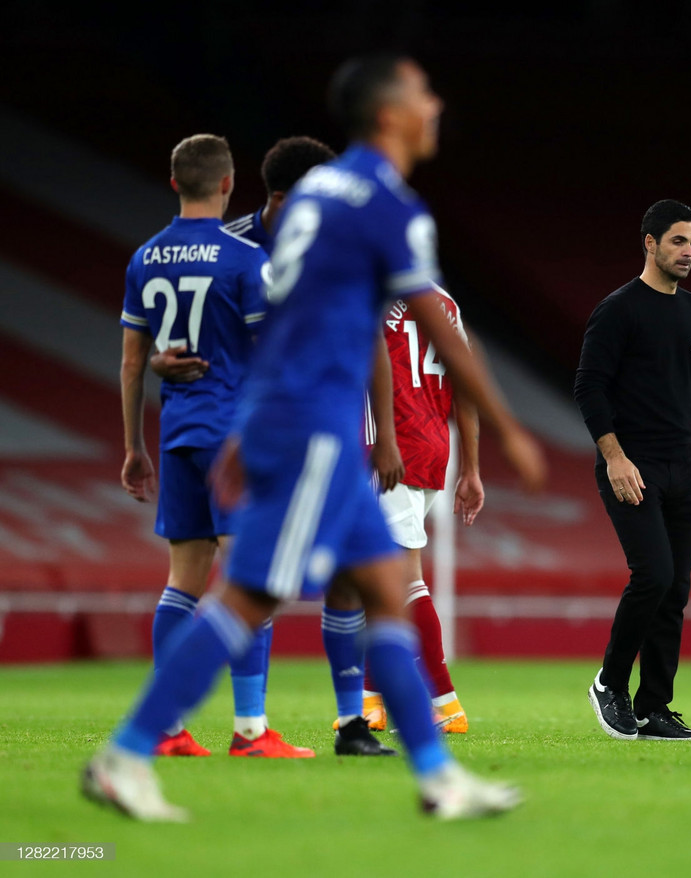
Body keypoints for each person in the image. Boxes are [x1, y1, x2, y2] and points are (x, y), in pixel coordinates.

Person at [83, 52, 546, 822]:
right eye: (425, 93)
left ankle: (437, 776)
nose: (436, 105)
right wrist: (506, 428)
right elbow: (435, 319)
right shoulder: (383, 205)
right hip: (316, 434)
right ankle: (127, 755)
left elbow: (281, 319)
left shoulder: (314, 200)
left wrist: (247, 427)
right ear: (390, 114)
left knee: (387, 599)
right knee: (245, 600)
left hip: (294, 422)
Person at [119, 133, 312, 759]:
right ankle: (251, 731)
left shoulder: (145, 257)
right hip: (233, 437)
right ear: (229, 185)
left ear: (175, 183)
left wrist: (133, 448)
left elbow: (131, 363)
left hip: (175, 433)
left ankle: (168, 729)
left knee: (184, 580)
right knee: (253, 576)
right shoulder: (240, 261)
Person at [574, 199, 691, 742]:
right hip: (631, 466)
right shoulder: (618, 309)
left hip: (681, 469)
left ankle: (656, 706)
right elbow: (588, 386)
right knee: (654, 575)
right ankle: (610, 683)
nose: (688, 252)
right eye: (678, 242)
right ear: (649, 243)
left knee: (676, 589)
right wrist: (614, 457)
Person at [349, 286, 480, 737]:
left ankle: (445, 702)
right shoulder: (446, 302)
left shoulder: (372, 290)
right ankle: (371, 702)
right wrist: (472, 469)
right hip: (431, 449)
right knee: (376, 575)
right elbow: (465, 384)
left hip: (391, 450)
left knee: (402, 578)